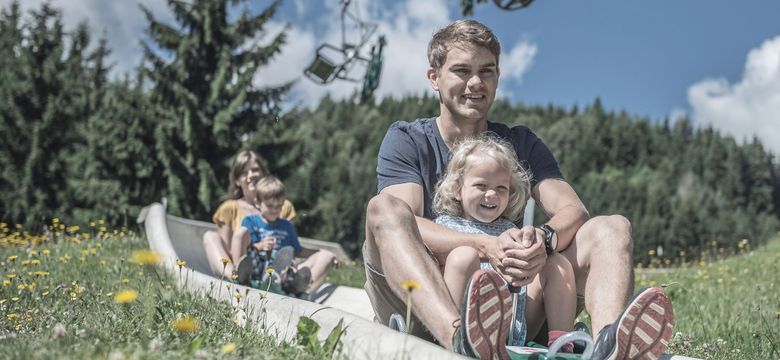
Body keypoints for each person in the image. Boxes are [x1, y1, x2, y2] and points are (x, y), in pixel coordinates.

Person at [362, 19, 674, 360]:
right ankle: (458, 339)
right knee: (383, 208)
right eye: (462, 70)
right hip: (421, 302)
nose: (476, 83)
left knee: (613, 228)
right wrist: (486, 244)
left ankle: (610, 348)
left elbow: (573, 211)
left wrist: (543, 240)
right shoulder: (409, 139)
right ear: (434, 77)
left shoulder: (520, 142)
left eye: (487, 71)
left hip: (516, 307)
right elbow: (406, 222)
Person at [432, 135, 576, 352]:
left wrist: (530, 249)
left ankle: (562, 346)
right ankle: (458, 339)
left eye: (501, 188)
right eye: (481, 185)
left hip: (512, 323)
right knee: (463, 256)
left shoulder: (510, 231)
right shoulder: (445, 227)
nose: (491, 194)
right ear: (456, 189)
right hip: (465, 320)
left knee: (555, 261)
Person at [232, 176, 337, 294]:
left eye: (279, 206)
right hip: (257, 265)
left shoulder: (287, 226)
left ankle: (293, 285)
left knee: (290, 255)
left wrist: (320, 252)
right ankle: (241, 277)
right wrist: (261, 246)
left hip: (281, 269)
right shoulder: (250, 221)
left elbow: (298, 250)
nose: (275, 210)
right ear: (258, 202)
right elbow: (246, 248)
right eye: (270, 206)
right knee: (241, 234)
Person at [202, 150, 296, 278]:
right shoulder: (229, 208)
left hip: (273, 269)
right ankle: (235, 277)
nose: (251, 175)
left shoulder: (283, 207)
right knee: (210, 236)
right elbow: (228, 251)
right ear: (237, 181)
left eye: (255, 170)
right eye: (244, 173)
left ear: (263, 174)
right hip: (239, 264)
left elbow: (289, 245)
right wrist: (256, 247)